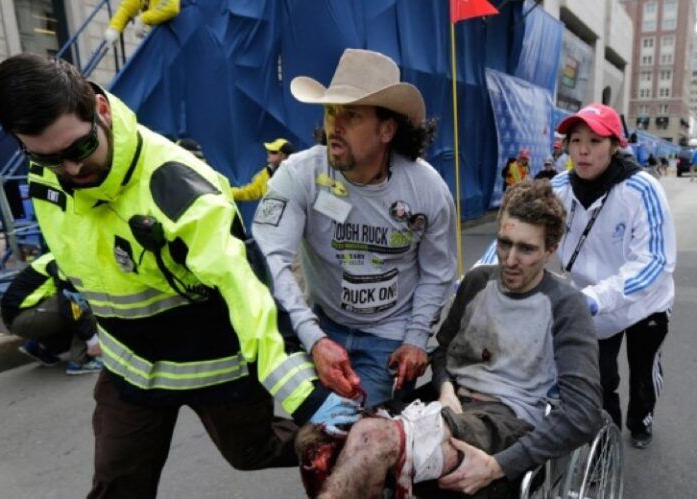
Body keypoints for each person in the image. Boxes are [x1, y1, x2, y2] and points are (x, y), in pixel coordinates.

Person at [0, 53, 357, 498]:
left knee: (251, 452)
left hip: (214, 364)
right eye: (47, 158)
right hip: (131, 368)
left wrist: (307, 399)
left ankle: (350, 447)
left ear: (101, 111)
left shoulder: (177, 186)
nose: (70, 170)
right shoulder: (46, 174)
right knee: (117, 483)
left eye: (80, 149)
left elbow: (248, 291)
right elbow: (81, 249)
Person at [303, 180, 603, 498]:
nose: (510, 259)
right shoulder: (477, 283)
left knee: (372, 439)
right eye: (504, 243)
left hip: (504, 419)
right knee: (315, 440)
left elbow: (582, 413)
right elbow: (444, 350)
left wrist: (500, 465)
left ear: (550, 249)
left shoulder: (566, 305)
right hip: (449, 403)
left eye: (526, 248)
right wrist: (446, 389)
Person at [253, 49, 457, 409]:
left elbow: (438, 272)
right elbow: (269, 259)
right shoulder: (298, 174)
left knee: (361, 441)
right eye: (331, 111)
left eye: (352, 115)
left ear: (387, 130)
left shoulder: (428, 190)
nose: (335, 125)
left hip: (389, 336)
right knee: (318, 440)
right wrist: (313, 339)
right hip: (319, 323)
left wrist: (414, 339)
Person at [481, 103, 675, 450]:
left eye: (595, 141)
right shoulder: (556, 187)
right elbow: (515, 229)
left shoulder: (643, 189)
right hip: (591, 305)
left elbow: (655, 260)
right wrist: (476, 277)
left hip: (644, 302)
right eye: (575, 140)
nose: (583, 150)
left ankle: (641, 419)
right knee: (598, 380)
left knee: (642, 373)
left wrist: (599, 297)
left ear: (615, 145)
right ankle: (605, 447)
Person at [0, 253, 103, 375]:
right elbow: (71, 304)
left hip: (19, 318)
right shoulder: (65, 262)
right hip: (24, 318)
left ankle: (41, 347)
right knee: (84, 302)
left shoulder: (58, 255)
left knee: (72, 309)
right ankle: (81, 361)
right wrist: (93, 342)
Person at [103, 0, 180, 44]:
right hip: (160, 38)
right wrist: (114, 28)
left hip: (178, 32)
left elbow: (171, 6)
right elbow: (126, 9)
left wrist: (143, 19)